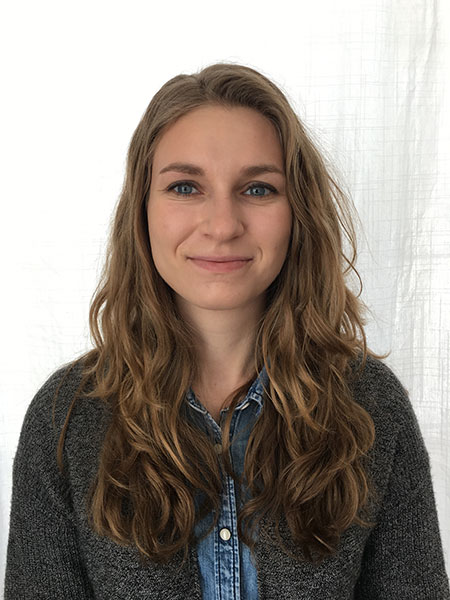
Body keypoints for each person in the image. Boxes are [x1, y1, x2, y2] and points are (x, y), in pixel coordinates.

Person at [4, 62, 450, 600]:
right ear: (142, 210)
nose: (222, 225)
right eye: (185, 187)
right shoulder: (66, 418)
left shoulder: (370, 407)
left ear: (298, 211)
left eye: (258, 189)